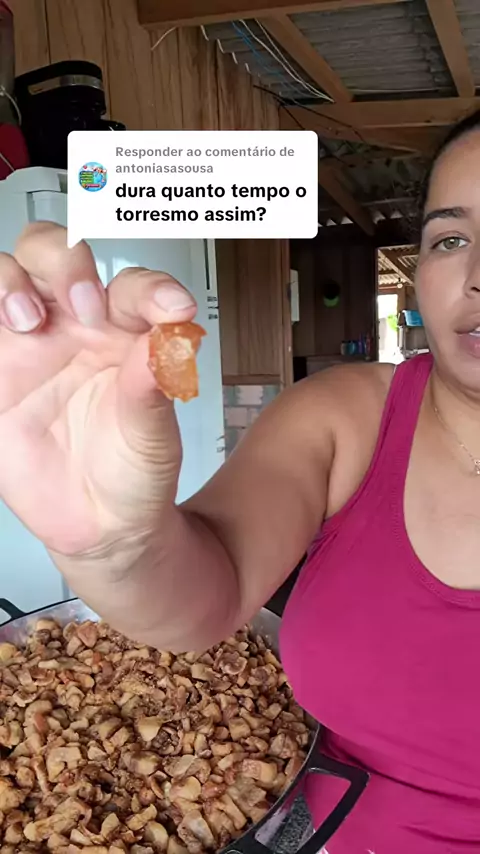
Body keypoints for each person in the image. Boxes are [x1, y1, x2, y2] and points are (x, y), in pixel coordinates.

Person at [1, 111, 480, 852]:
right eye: (451, 238)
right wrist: (114, 543)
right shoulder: (344, 417)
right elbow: (207, 593)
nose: (478, 276)